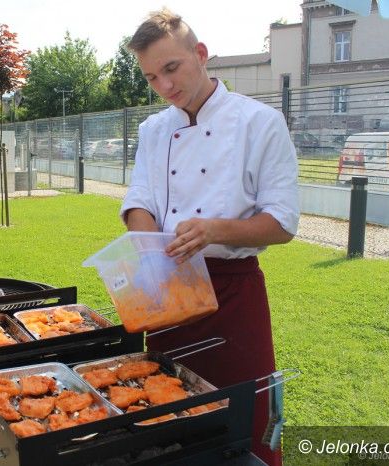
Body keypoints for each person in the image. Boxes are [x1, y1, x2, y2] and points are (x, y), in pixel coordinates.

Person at [121, 8, 299, 466]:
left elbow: (282, 222)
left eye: (172, 68)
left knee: (244, 420)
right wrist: (150, 252)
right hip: (169, 290)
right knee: (165, 415)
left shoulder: (260, 122)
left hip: (233, 296)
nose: (165, 86)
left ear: (200, 54)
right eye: (151, 77)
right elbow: (139, 201)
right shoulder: (153, 130)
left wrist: (213, 230)